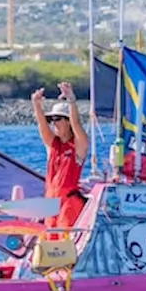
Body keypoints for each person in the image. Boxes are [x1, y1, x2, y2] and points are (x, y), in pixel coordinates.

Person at [30, 81, 89, 237]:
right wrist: (36, 105)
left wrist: (71, 100)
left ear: (67, 121)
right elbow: (42, 127)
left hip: (68, 203)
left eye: (57, 119)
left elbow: (76, 124)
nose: (53, 123)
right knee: (50, 241)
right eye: (52, 119)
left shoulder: (78, 145)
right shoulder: (53, 144)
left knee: (65, 243)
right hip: (51, 204)